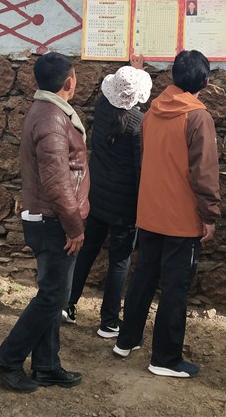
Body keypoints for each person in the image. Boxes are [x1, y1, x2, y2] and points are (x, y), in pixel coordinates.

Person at [113, 49, 220, 378]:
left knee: (143, 278)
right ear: (205, 82)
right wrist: (210, 214)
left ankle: (126, 340)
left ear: (174, 76)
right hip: (181, 218)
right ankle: (165, 358)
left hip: (150, 211)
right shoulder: (197, 117)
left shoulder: (152, 112)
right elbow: (204, 173)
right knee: (174, 287)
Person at [0, 52, 89, 393]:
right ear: (69, 82)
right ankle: (6, 361)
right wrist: (74, 226)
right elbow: (57, 182)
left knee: (54, 295)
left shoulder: (49, 111)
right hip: (53, 221)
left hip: (52, 217)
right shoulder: (51, 119)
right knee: (52, 297)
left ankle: (46, 366)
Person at [63, 58, 152, 338]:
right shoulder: (139, 124)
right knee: (119, 260)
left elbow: (117, 97)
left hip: (97, 194)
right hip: (125, 204)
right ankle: (109, 322)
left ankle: (67, 304)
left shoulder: (102, 109)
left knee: (87, 249)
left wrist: (132, 71)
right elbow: (140, 169)